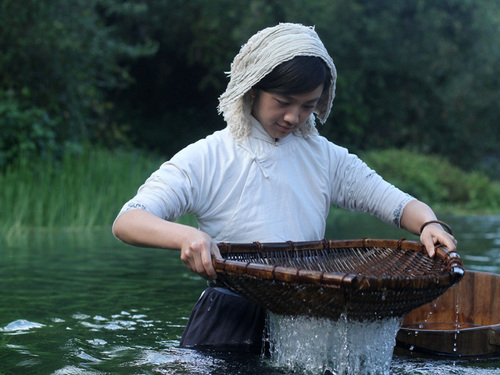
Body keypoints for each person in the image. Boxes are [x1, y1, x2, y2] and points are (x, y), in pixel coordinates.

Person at [112, 23, 457, 353]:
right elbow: (129, 220)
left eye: (308, 105)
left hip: (305, 322)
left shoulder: (325, 158)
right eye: (283, 101)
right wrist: (187, 237)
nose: (293, 117)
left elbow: (395, 203)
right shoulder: (209, 157)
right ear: (252, 88)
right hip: (227, 322)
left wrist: (429, 224)